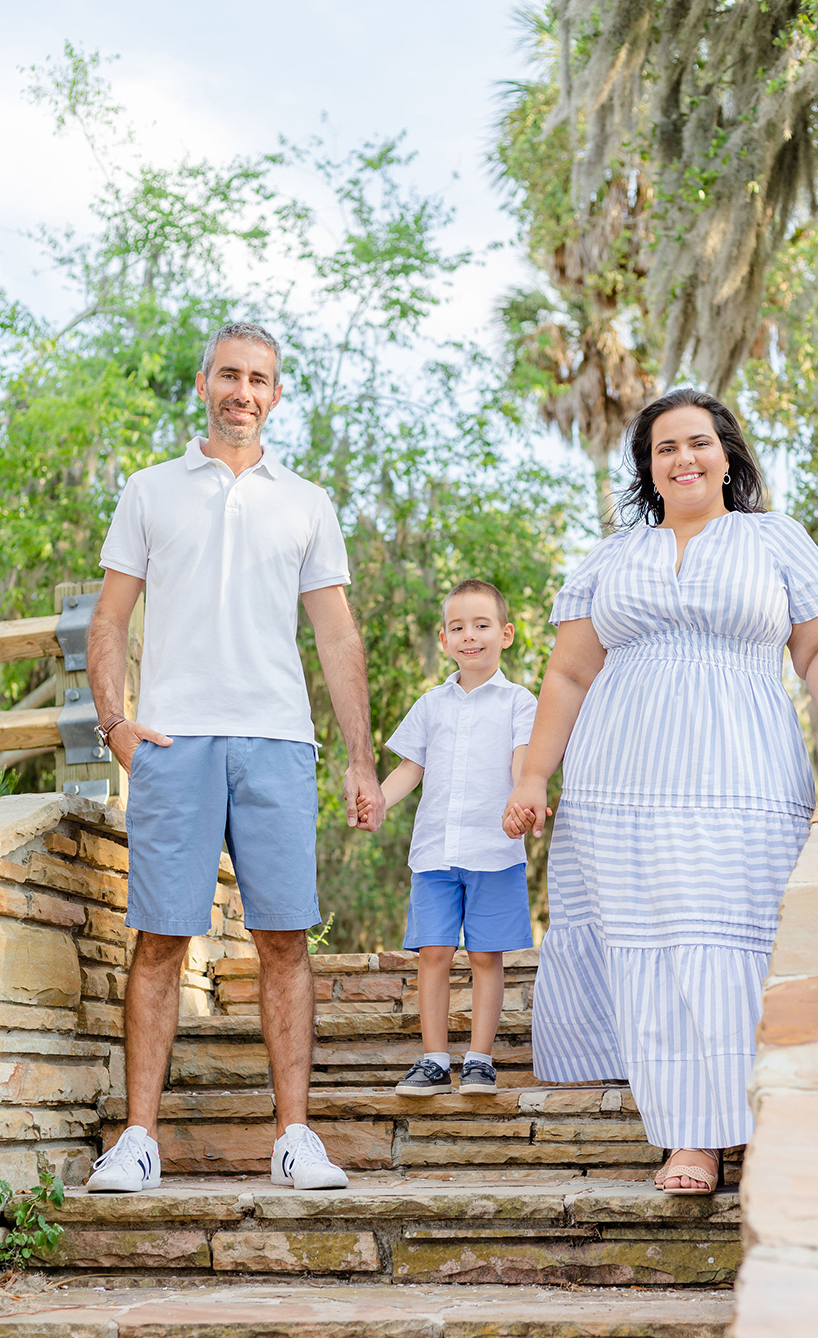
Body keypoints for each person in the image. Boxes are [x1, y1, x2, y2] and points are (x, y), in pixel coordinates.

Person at [504, 388, 818, 1194]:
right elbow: (571, 672)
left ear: (727, 455)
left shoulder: (775, 538)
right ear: (649, 469)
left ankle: (769, 1121)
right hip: (621, 778)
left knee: (735, 935)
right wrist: (535, 774)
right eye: (664, 449)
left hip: (741, 770)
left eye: (698, 443)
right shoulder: (615, 556)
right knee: (657, 943)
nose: (683, 459)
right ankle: (692, 1136)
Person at [85, 320, 385, 1194]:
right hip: (175, 739)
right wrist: (118, 725)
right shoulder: (149, 490)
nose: (242, 392)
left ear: (276, 394)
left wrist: (359, 759)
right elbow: (110, 619)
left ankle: (295, 1136)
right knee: (159, 940)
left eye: (258, 379)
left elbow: (336, 631)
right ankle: (138, 1139)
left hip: (279, 740)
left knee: (285, 940)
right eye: (228, 375)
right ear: (204, 383)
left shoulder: (307, 501)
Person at [366, 580, 536, 1096]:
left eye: (482, 626)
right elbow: (409, 769)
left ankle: (480, 1060)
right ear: (443, 640)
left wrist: (525, 804)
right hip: (436, 853)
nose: (470, 636)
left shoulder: (519, 703)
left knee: (487, 957)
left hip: (495, 851)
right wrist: (377, 800)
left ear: (505, 634)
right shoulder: (431, 704)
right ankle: (435, 1059)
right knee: (433, 953)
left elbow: (523, 765)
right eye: (458, 628)